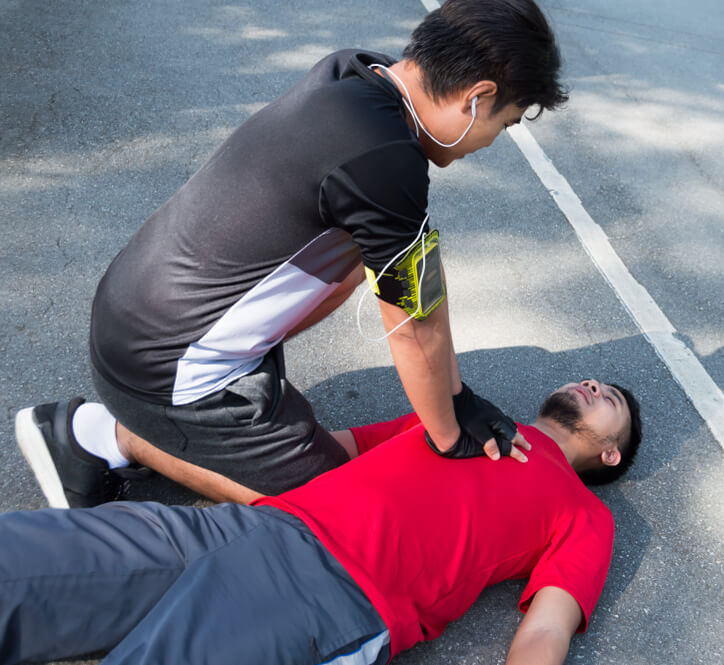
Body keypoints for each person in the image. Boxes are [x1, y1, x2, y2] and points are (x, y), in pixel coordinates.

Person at [14, 0, 569, 508]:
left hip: (133, 314)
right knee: (334, 510)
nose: (492, 141)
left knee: (384, 254)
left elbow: (421, 275)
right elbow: (413, 324)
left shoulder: (355, 74)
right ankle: (98, 436)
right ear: (479, 97)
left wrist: (457, 393)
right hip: (161, 368)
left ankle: (186, 418)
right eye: (505, 123)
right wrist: (449, 436)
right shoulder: (383, 159)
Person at [1, 379, 642, 665]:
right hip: (249, 529)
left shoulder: (585, 514)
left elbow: (546, 629)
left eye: (609, 398)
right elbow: (325, 451)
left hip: (331, 599)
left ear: (609, 453)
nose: (592, 385)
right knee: (20, 562)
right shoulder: (467, 417)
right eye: (592, 380)